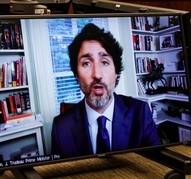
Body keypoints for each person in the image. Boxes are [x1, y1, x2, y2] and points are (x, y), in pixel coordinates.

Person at [51, 23, 162, 159]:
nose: (97, 74)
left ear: (116, 72)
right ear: (76, 75)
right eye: (86, 63)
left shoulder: (141, 113)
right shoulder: (60, 127)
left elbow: (157, 163)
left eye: (104, 62)